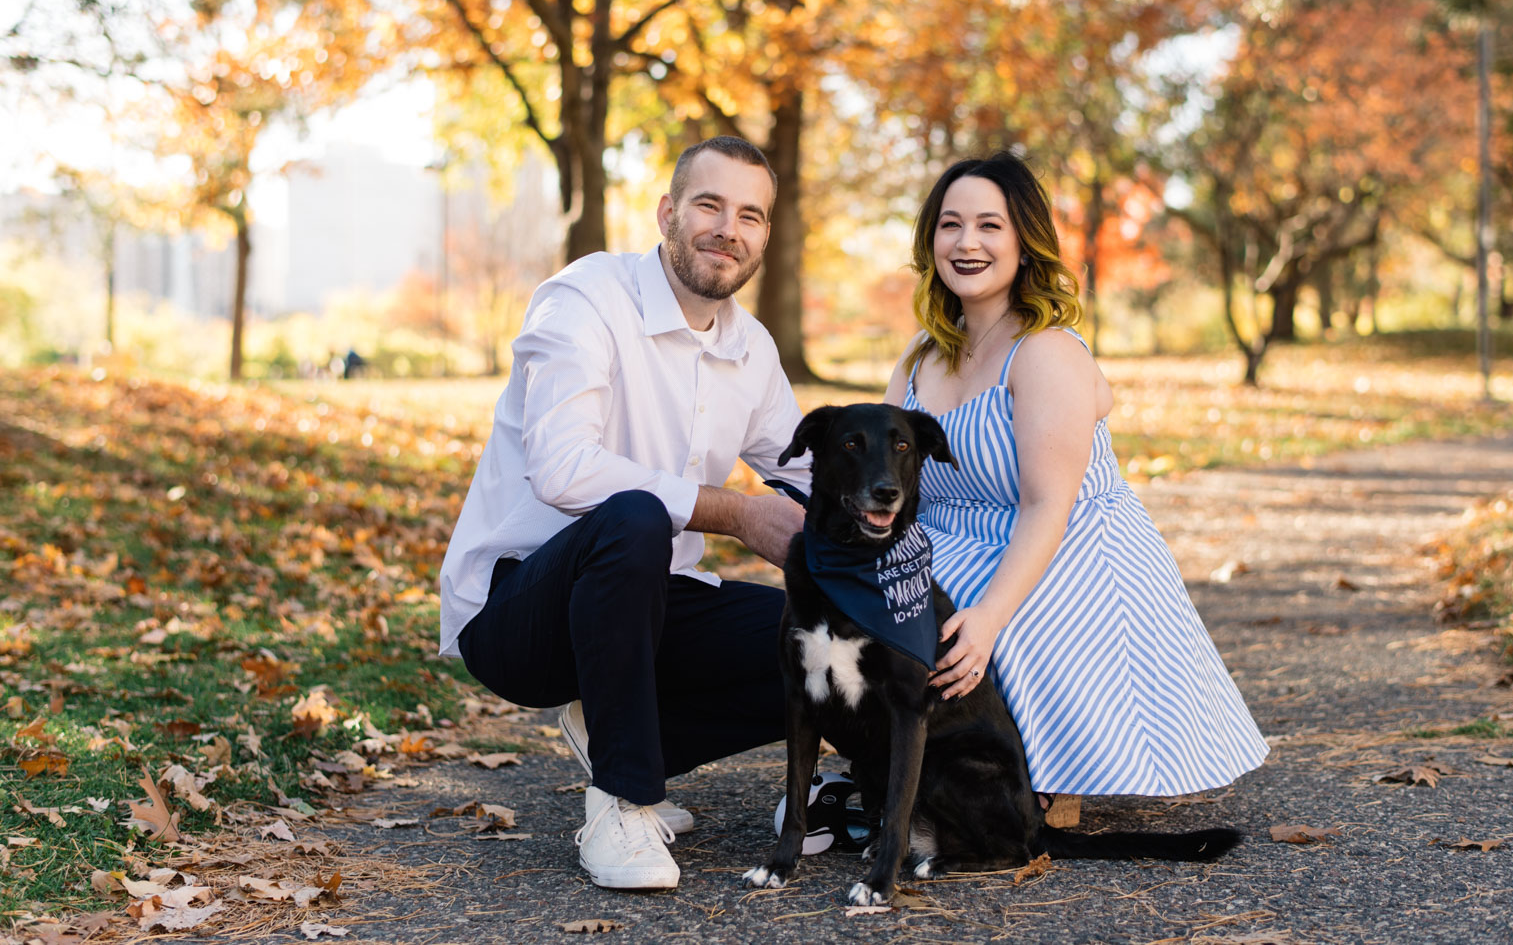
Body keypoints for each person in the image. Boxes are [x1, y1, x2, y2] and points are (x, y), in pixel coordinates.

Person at [437, 136, 811, 892]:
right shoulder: (586, 299)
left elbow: (807, 476)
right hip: (521, 613)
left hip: (653, 611)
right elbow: (563, 468)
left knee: (812, 652)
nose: (727, 229)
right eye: (709, 204)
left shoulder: (752, 348)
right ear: (668, 212)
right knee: (636, 515)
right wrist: (737, 513)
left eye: (751, 214)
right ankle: (624, 798)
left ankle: (620, 735)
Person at [884, 151, 1268, 815]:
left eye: (989, 226)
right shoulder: (919, 359)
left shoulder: (1045, 351)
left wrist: (988, 620)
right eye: (950, 225)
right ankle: (885, 770)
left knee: (967, 618)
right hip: (948, 541)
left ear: (1024, 243)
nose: (967, 242)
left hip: (1061, 545)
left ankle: (1042, 772)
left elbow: (1047, 505)